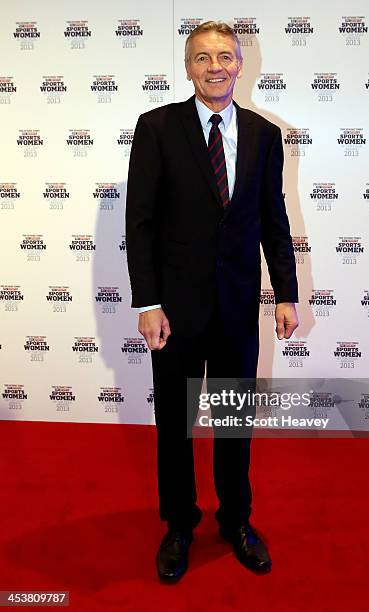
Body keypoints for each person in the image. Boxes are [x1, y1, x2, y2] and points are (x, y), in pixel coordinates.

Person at [125, 20, 299, 582]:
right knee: (173, 425)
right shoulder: (156, 127)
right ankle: (178, 525)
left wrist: (286, 294)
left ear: (241, 64)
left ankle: (236, 522)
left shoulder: (264, 134)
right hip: (173, 312)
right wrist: (146, 303)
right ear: (187, 66)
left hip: (235, 308)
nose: (215, 66)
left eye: (225, 55)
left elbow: (274, 219)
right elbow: (142, 223)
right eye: (203, 57)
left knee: (232, 424)